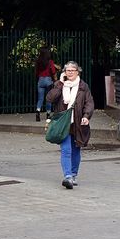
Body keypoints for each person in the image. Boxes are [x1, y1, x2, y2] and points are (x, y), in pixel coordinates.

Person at [44, 61, 94, 189]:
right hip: (63, 124)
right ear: (64, 72)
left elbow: (89, 103)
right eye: (68, 70)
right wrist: (60, 84)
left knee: (76, 150)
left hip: (78, 123)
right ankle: (68, 176)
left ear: (78, 72)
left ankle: (73, 174)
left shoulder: (83, 86)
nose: (70, 72)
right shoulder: (59, 85)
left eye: (73, 70)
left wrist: (86, 116)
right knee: (66, 150)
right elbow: (50, 98)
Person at [34, 46, 58, 121]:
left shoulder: (38, 61)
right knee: (48, 99)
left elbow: (36, 72)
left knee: (40, 98)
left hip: (40, 80)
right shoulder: (50, 62)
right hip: (48, 80)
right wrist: (55, 80)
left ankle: (38, 111)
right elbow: (53, 71)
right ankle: (48, 114)